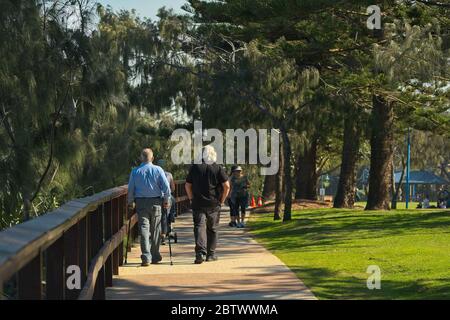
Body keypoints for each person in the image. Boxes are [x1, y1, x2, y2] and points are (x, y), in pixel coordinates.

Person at [185, 145, 230, 264]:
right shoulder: (217, 167)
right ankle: (211, 254)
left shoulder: (195, 167)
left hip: (198, 203)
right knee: (213, 229)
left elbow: (187, 185)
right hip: (213, 203)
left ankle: (200, 252)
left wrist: (191, 199)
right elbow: (227, 186)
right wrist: (222, 200)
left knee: (199, 227)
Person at [127, 148, 171, 266]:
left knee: (144, 229)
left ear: (141, 158)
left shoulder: (135, 171)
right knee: (156, 229)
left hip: (141, 203)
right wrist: (167, 200)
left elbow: (130, 188)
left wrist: (130, 201)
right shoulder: (158, 170)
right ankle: (155, 255)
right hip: (156, 202)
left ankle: (146, 256)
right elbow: (166, 187)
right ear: (152, 158)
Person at [156, 159, 176, 245]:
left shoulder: (155, 174)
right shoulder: (169, 175)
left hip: (157, 197)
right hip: (167, 197)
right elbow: (173, 188)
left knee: (160, 215)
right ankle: (172, 216)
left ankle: (159, 232)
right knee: (173, 200)